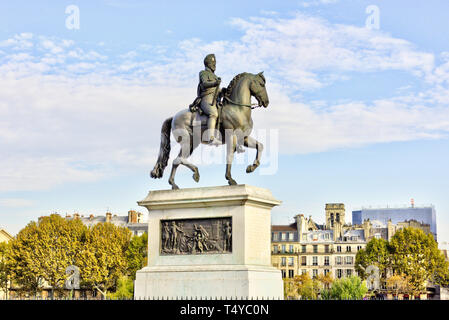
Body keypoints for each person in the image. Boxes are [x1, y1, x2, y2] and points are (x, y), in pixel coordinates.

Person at [198, 54, 222, 145]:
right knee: (213, 114)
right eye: (212, 63)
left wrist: (223, 91)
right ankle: (211, 137)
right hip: (206, 99)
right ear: (207, 64)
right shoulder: (203, 73)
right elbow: (204, 84)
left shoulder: (215, 76)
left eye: (215, 63)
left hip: (216, 100)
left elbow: (217, 90)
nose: (214, 65)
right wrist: (215, 83)